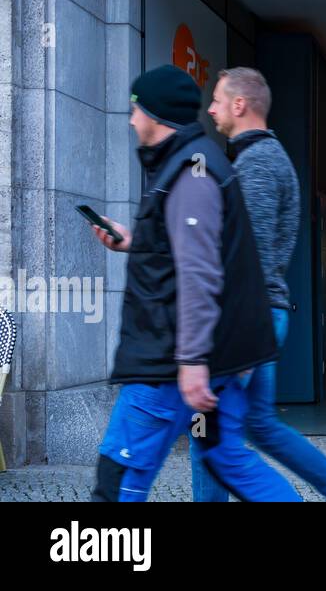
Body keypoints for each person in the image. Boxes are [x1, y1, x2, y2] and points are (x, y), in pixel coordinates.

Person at [90, 65, 300, 502]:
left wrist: (191, 360)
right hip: (191, 355)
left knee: (119, 478)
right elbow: (179, 252)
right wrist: (132, 241)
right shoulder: (184, 167)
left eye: (136, 108)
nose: (131, 120)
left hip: (166, 361)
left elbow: (201, 269)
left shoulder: (193, 172)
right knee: (229, 460)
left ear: (155, 113)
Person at [192, 67, 326, 503]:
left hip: (248, 316)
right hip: (262, 314)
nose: (212, 108)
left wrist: (237, 337)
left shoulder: (256, 164)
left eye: (217, 99)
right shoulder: (265, 157)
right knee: (260, 425)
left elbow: (248, 260)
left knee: (210, 432)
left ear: (240, 105)